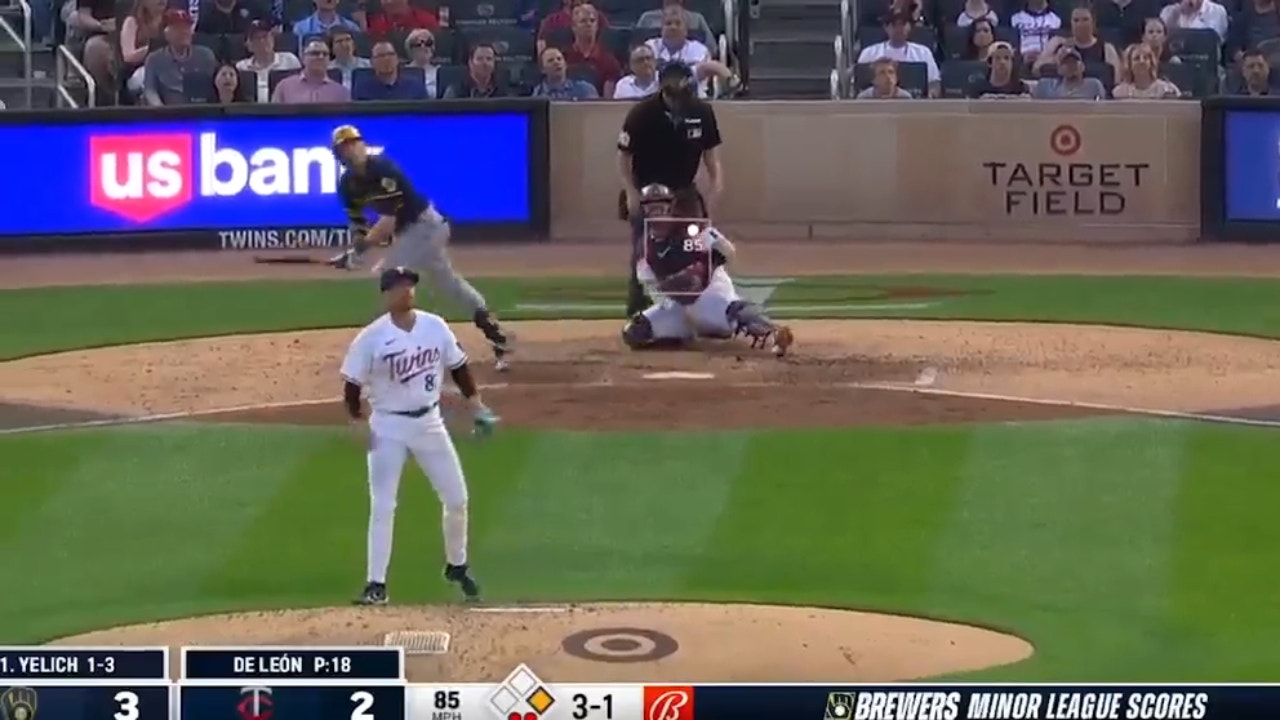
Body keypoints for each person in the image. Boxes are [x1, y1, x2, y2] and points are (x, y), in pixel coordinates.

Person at [340, 265, 498, 606]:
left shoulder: (434, 326)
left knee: (457, 499)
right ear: (386, 294)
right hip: (388, 427)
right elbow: (351, 385)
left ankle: (457, 565)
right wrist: (356, 420)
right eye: (399, 286)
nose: (407, 291)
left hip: (429, 423)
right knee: (383, 505)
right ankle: (376, 584)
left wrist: (477, 405)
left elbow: (459, 368)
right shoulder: (371, 337)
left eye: (410, 285)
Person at [328, 125, 517, 371]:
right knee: (449, 284)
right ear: (338, 155)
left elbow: (387, 222)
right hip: (409, 234)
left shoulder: (384, 170)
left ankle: (385, 352)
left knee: (391, 278)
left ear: (363, 145)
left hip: (426, 226)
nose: (351, 150)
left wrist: (358, 254)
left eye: (354, 143)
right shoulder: (347, 186)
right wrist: (354, 249)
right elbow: (358, 225)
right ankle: (497, 335)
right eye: (345, 147)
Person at [621, 185, 794, 355]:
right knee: (635, 332)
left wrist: (704, 268)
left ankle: (773, 335)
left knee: (734, 311)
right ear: (643, 209)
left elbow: (728, 252)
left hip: (710, 292)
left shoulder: (691, 229)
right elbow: (655, 289)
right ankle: (684, 335)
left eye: (661, 204)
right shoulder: (644, 249)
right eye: (651, 205)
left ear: (670, 206)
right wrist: (678, 281)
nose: (656, 210)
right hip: (678, 305)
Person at [617, 61, 723, 318]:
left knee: (695, 246)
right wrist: (630, 192)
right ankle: (639, 309)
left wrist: (716, 185)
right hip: (649, 192)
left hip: (684, 189)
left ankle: (699, 306)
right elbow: (624, 157)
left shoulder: (703, 112)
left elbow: (711, 157)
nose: (678, 102)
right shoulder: (641, 113)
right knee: (644, 250)